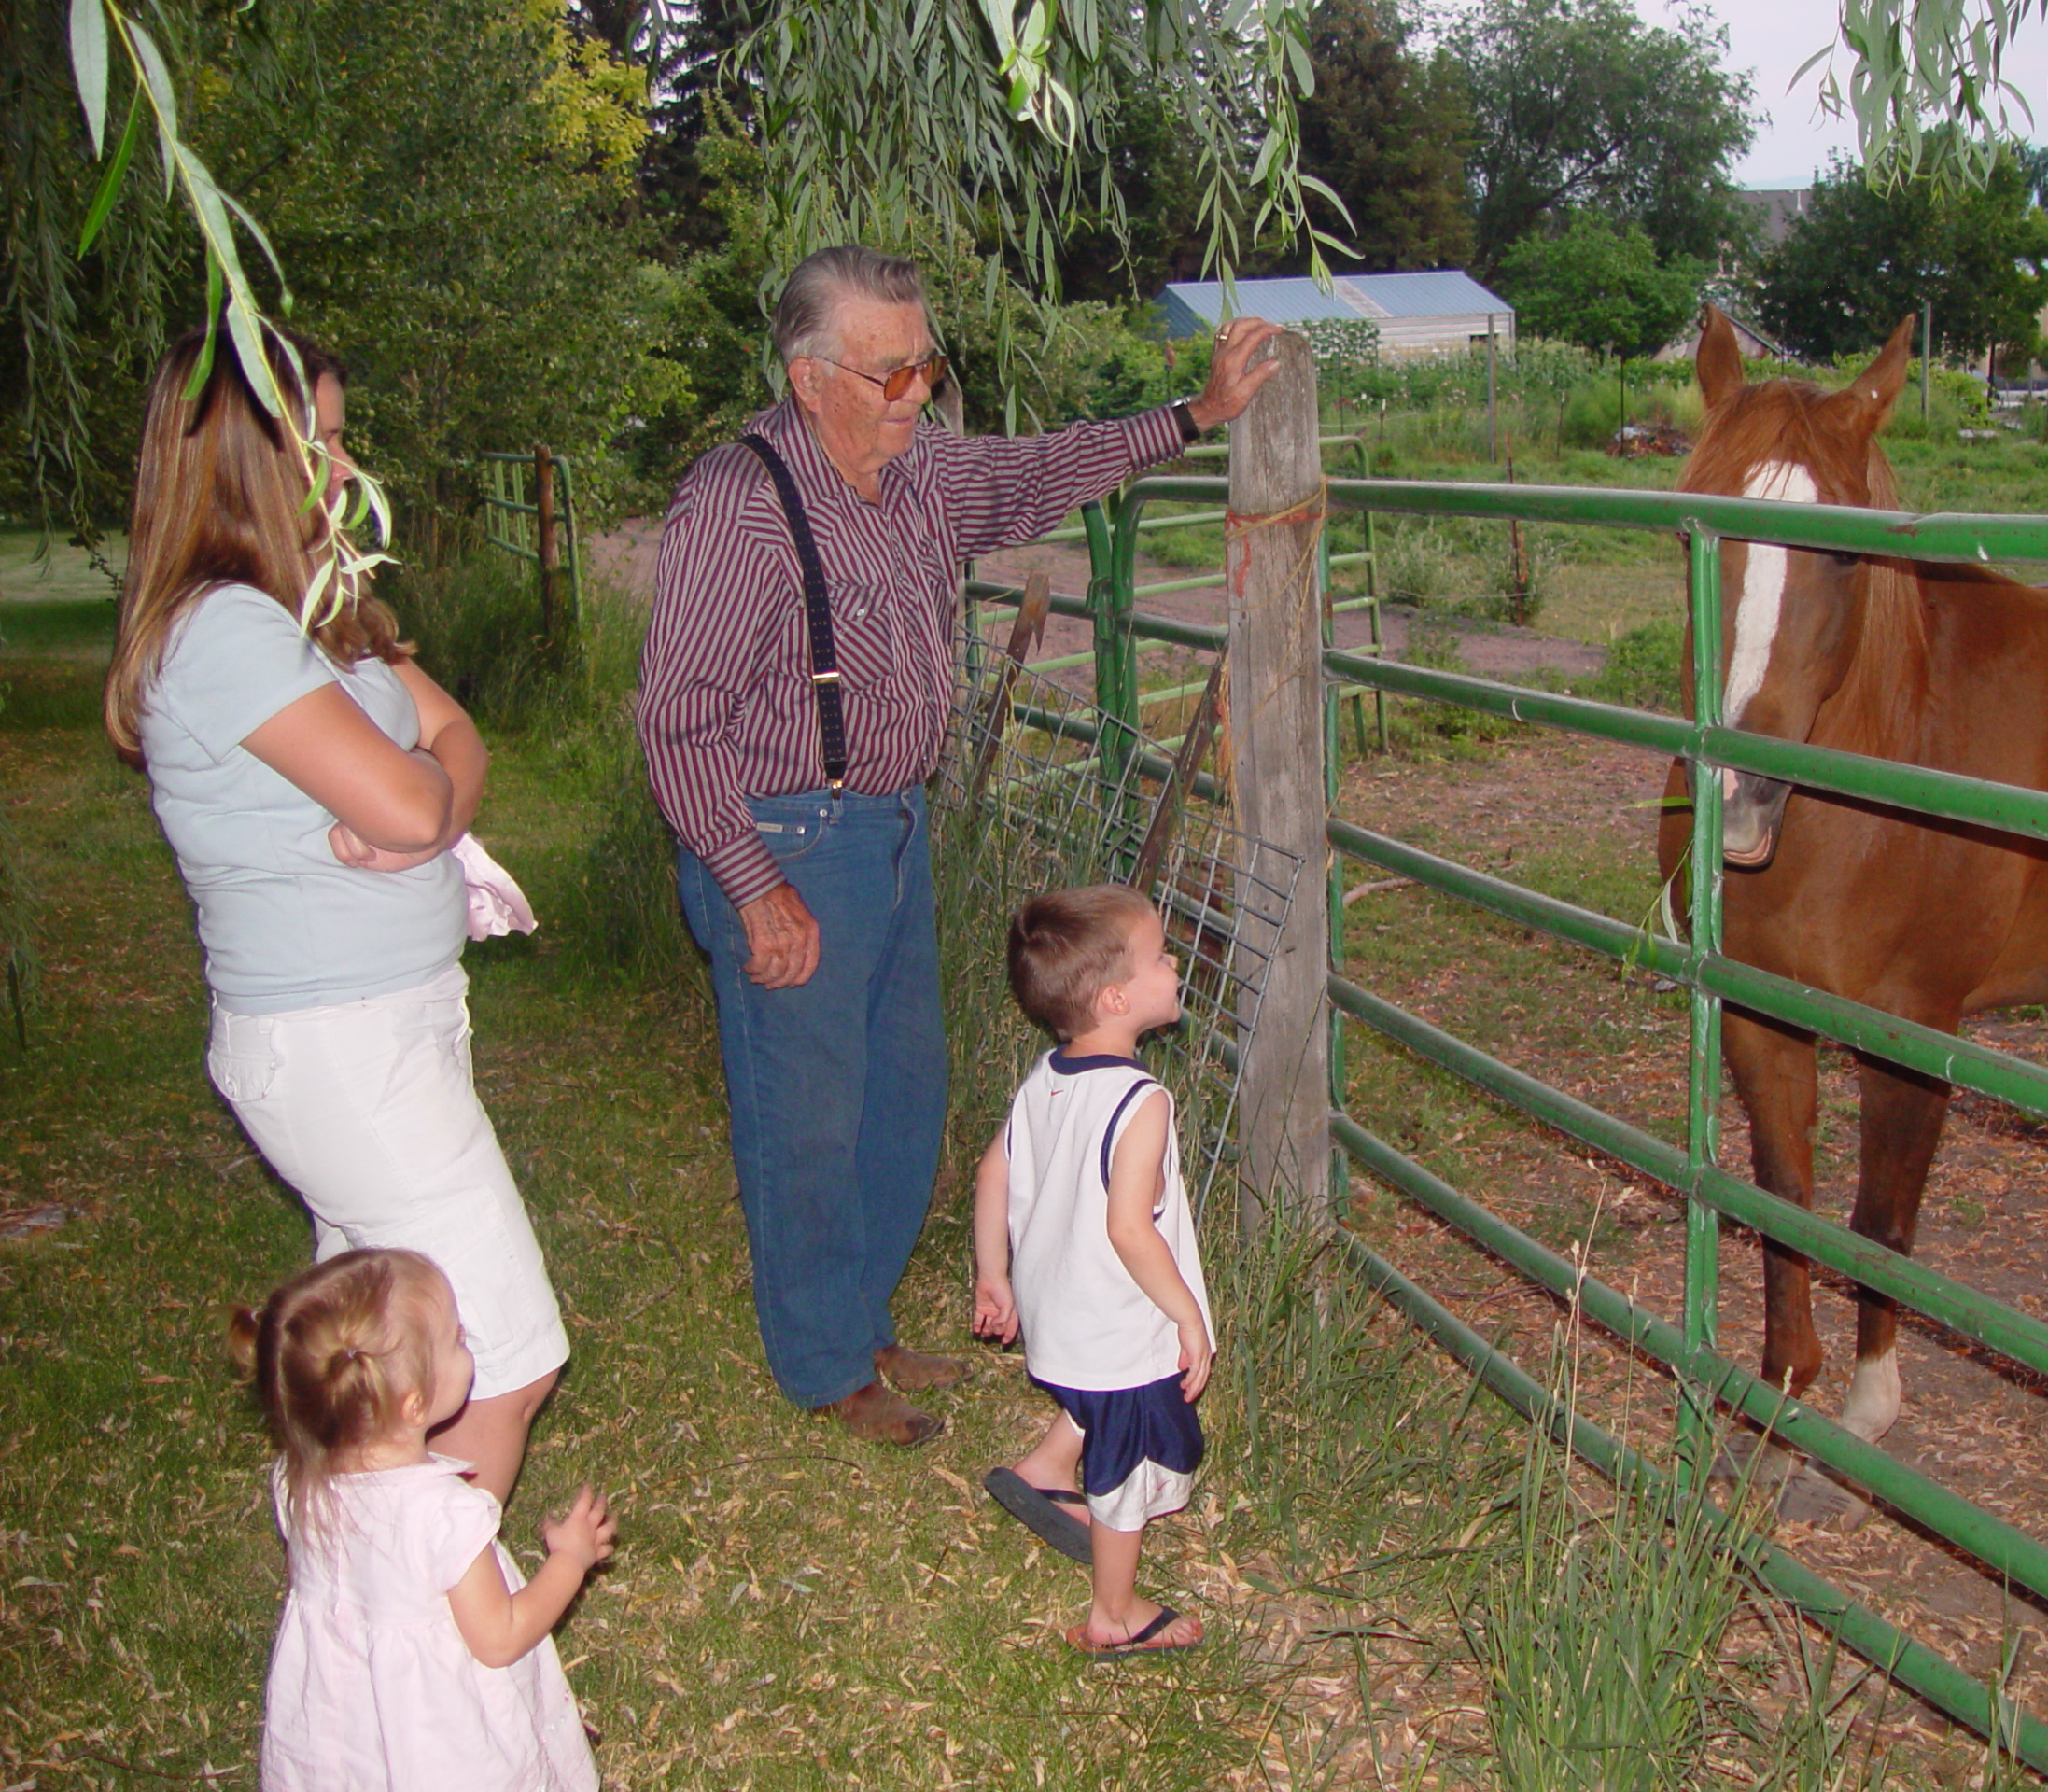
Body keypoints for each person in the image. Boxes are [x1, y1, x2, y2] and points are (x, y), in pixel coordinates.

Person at [637, 244, 1277, 1445]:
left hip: (888, 825)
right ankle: (823, 1361)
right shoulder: (736, 503)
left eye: (927, 364)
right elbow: (676, 719)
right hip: (780, 835)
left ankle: (861, 1317)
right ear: (809, 377)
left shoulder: (921, 472)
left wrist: (1192, 414)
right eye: (894, 374)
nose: (920, 393)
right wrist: (752, 885)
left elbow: (1042, 472)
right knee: (807, 1112)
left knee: (900, 1092)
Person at [104, 324, 568, 1505]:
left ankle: (359, 1648)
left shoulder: (315, 605)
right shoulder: (225, 631)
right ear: (243, 461)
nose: (349, 469)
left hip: (389, 1029)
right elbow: (417, 796)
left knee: (377, 1384)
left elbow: (455, 741)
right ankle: (440, 1662)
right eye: (324, 443)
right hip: (340, 1048)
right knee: (496, 1360)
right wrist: (422, 797)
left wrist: (428, 796)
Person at [231, 1249, 612, 1789]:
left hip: (344, 1728)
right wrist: (570, 1560)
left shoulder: (297, 1485)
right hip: (439, 1738)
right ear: (413, 1405)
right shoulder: (443, 1514)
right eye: (456, 1338)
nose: (468, 1343)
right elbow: (499, 1636)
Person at [972, 884, 1212, 1656]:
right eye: (1159, 956)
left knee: (1090, 1398)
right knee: (1127, 1461)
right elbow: (1129, 1230)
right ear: (1117, 997)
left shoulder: (1047, 1076)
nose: (1174, 963)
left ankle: (1046, 1465)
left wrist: (993, 1275)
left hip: (1055, 1310)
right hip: (1115, 1326)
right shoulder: (1143, 1102)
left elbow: (991, 1174)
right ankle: (1115, 1612)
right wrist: (1184, 1315)